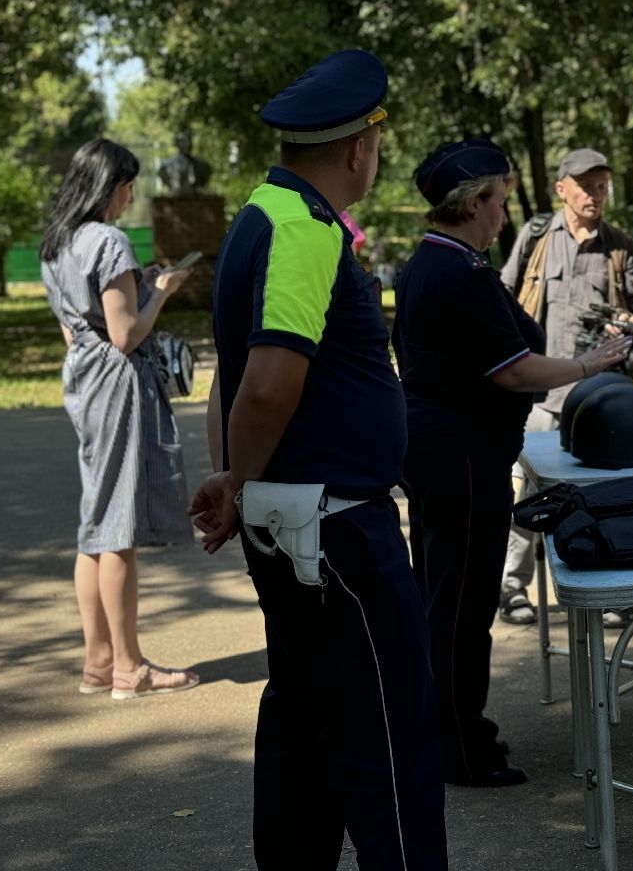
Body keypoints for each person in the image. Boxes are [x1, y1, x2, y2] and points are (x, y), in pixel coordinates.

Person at [188, 49, 448, 868]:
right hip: (337, 538)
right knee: (391, 750)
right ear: (358, 148)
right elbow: (264, 384)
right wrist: (239, 480)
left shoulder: (263, 213)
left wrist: (237, 480)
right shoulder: (302, 228)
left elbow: (226, 375)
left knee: (304, 736)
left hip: (300, 529)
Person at [394, 138, 631, 787]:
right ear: (473, 204)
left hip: (442, 453)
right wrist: (591, 364)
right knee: (463, 613)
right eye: (497, 202)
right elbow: (515, 369)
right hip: (464, 459)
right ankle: (458, 746)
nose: (505, 217)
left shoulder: (427, 265)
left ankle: (438, 733)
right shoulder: (460, 274)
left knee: (444, 603)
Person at [38, 137, 199, 700]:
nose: (132, 194)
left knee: (95, 524)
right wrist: (161, 290)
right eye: (128, 183)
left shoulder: (57, 244)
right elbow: (127, 335)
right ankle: (131, 668)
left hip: (82, 377)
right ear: (109, 186)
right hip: (117, 383)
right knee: (116, 531)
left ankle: (99, 662)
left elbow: (74, 329)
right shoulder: (109, 241)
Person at [498, 146, 633, 628]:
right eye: (586, 185)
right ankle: (512, 586)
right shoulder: (537, 237)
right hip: (542, 390)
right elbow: (504, 295)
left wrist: (628, 324)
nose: (595, 194)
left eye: (603, 185)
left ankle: (609, 592)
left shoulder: (622, 246)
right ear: (562, 188)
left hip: (600, 396)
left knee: (604, 493)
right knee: (526, 489)